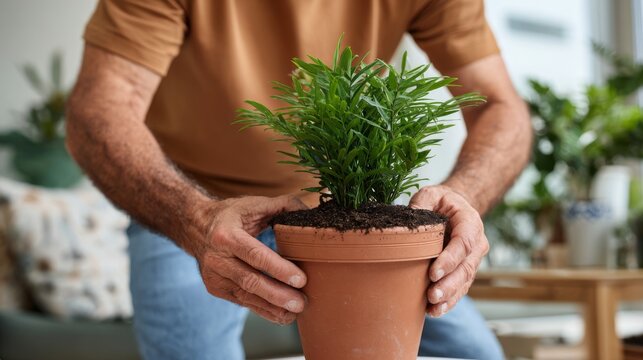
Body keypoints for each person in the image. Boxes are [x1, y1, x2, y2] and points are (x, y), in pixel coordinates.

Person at [66, 1, 531, 359]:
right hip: (194, 209)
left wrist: (463, 198)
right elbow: (99, 110)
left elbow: (500, 107)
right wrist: (196, 220)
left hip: (346, 215)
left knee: (474, 353)